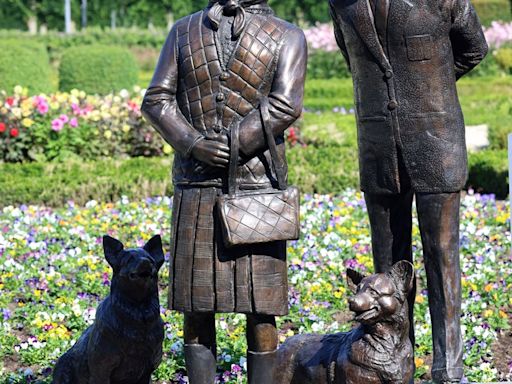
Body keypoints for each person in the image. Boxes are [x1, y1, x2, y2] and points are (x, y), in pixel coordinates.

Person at [141, 0, 307, 382]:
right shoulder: (182, 32)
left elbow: (285, 104)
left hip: (256, 187)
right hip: (195, 183)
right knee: (196, 305)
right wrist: (193, 143)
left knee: (261, 306)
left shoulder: (288, 36)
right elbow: (157, 99)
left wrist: (233, 144)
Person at [329, 0, 488, 382]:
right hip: (378, 146)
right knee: (386, 264)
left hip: (437, 138)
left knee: (442, 256)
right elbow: (355, 62)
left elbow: (475, 48)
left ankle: (448, 368)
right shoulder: (341, 4)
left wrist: (432, 85)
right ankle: (395, 364)